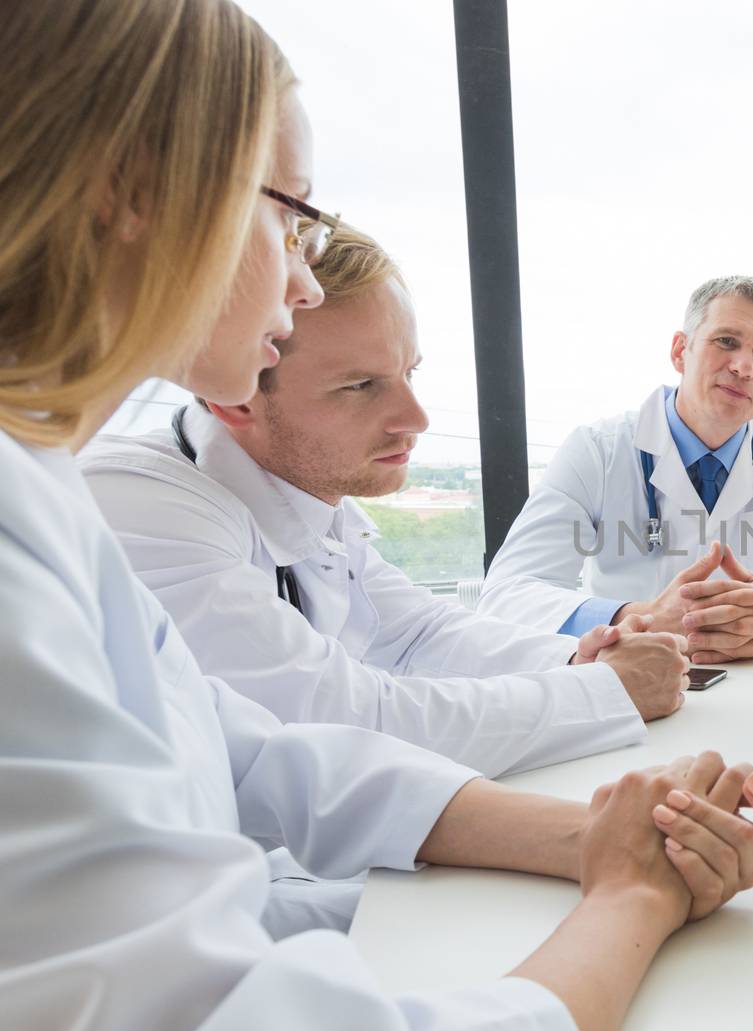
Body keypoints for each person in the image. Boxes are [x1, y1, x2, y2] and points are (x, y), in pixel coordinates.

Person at [0, 4, 753, 1031]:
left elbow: (259, 755)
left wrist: (606, 830)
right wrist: (629, 891)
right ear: (132, 194)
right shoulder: (60, 517)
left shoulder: (45, 493)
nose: (301, 274)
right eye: (291, 217)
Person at [82, 224, 688, 781]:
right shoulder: (139, 506)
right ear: (234, 395)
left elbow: (418, 634)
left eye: (409, 375)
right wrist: (606, 691)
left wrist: (582, 657)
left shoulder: (305, 491)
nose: (415, 419)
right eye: (361, 386)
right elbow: (341, 718)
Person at [478, 276, 753, 663]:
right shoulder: (598, 449)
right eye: (726, 341)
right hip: (627, 682)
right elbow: (507, 595)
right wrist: (641, 619)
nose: (745, 366)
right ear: (681, 351)